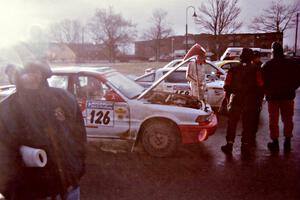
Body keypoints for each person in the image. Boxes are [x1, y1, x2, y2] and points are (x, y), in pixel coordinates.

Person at [0, 60, 87, 200]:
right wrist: (10, 189)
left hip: (69, 187)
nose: (32, 77)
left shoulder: (64, 98)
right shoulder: (6, 109)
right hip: (31, 192)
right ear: (16, 77)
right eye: (25, 73)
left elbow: (79, 136)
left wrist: (78, 168)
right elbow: (3, 156)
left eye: (36, 71)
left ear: (44, 74)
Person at [221, 48, 263, 155]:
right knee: (247, 123)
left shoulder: (233, 69)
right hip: (250, 101)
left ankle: (229, 144)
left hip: (236, 100)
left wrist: (229, 96)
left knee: (232, 123)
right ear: (251, 58)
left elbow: (226, 85)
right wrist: (258, 100)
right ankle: (245, 145)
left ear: (241, 57)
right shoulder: (256, 69)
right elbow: (260, 85)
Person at [261, 42, 300, 153]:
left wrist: (267, 91)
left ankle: (275, 142)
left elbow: (262, 82)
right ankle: (287, 141)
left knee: (273, 120)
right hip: (288, 96)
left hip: (273, 97)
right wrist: (292, 88)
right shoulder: (292, 64)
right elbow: (298, 78)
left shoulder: (267, 65)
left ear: (272, 51)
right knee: (288, 119)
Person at [251, 51, 264, 145]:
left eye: (257, 57)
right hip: (253, 95)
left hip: (257, 95)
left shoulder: (260, 67)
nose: (256, 59)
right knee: (250, 116)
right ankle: (250, 134)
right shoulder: (256, 67)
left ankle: (253, 134)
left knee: (255, 116)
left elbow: (262, 82)